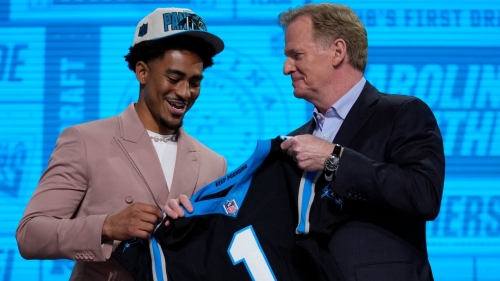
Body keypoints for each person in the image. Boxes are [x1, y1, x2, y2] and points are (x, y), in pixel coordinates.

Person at [16, 7, 227, 280]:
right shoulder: (84, 141)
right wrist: (107, 226)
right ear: (142, 71)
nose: (185, 93)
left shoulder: (214, 163)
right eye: (174, 78)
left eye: (195, 82)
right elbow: (30, 235)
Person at [277, 3, 445, 281]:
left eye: (296, 55)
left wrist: (335, 160)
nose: (286, 68)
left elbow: (424, 194)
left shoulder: (401, 113)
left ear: (337, 51)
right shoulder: (294, 140)